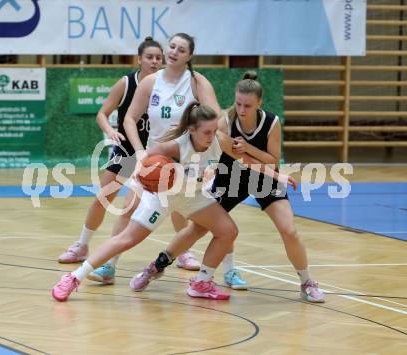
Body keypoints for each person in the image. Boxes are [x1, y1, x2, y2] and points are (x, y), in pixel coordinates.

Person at [51, 102, 296, 302]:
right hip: (164, 196)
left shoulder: (219, 140)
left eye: (214, 131)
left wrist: (279, 175)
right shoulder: (174, 147)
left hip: (193, 194)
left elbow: (247, 160)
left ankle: (201, 282)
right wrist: (144, 174)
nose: (212, 136)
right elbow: (145, 163)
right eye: (207, 132)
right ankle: (74, 277)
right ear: (192, 130)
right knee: (127, 239)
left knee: (228, 231)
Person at [130, 71, 325, 303]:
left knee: (289, 230)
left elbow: (272, 160)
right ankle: (157, 266)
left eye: (248, 105)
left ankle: (306, 282)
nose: (242, 110)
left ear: (259, 103)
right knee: (199, 228)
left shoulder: (271, 123)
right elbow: (200, 143)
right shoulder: (224, 121)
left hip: (262, 176)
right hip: (229, 176)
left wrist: (248, 148)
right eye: (238, 103)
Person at [85, 32, 222, 283]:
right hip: (156, 158)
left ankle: (195, 261)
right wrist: (139, 153)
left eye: (181, 49)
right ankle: (109, 266)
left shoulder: (196, 82)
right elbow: (129, 118)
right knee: (130, 208)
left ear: (190, 56)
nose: (173, 52)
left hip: (188, 161)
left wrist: (213, 162)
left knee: (198, 217)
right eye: (171, 46)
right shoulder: (151, 82)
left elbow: (217, 119)